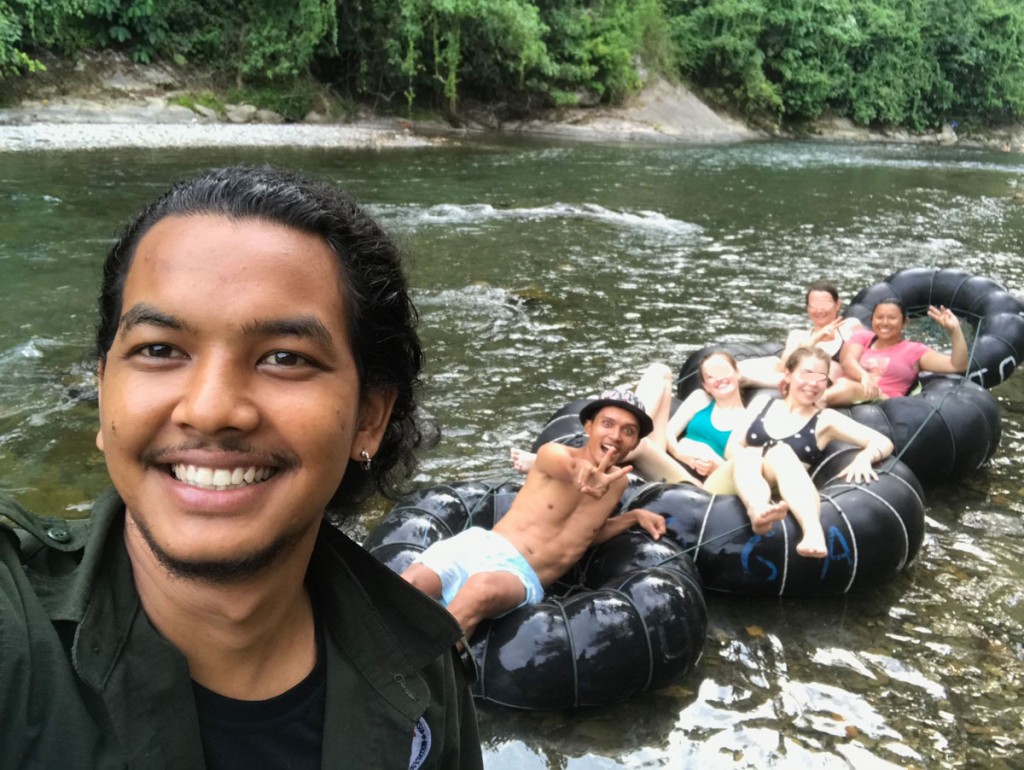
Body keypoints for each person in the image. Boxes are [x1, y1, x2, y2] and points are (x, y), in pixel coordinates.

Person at [0, 166, 482, 769]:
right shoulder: (14, 634)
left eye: (285, 358)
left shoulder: (425, 668)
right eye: (159, 350)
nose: (209, 410)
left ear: (370, 418)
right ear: (103, 394)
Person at [405, 388, 666, 640]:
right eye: (607, 424)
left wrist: (633, 517)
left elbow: (587, 534)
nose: (616, 436)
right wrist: (585, 476)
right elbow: (574, 470)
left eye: (628, 431)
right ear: (589, 427)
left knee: (478, 591)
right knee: (412, 582)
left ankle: (420, 673)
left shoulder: (618, 484)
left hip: (521, 574)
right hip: (484, 544)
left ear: (635, 443)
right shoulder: (553, 454)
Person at [729, 346, 895, 558]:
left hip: (784, 488)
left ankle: (812, 532)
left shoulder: (826, 419)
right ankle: (757, 508)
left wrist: (864, 457)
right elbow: (732, 447)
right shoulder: (763, 403)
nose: (813, 383)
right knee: (750, 454)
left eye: (821, 377)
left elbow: (882, 441)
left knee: (781, 452)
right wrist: (756, 462)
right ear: (788, 376)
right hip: (736, 477)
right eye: (806, 374)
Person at [512, 352, 745, 492]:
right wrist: (680, 453)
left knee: (639, 444)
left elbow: (744, 467)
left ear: (738, 374)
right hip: (670, 456)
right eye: (711, 377)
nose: (719, 380)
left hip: (694, 480)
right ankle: (624, 422)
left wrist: (713, 467)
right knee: (660, 371)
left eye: (724, 373)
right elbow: (669, 433)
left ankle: (570, 460)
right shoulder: (701, 399)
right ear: (704, 384)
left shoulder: (750, 417)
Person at [821, 297, 968, 406]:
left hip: (881, 400)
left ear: (904, 322)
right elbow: (847, 361)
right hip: (845, 389)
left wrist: (955, 330)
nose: (884, 323)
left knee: (847, 386)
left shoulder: (915, 350)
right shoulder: (863, 338)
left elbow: (957, 366)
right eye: (879, 317)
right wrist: (864, 376)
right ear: (872, 320)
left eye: (892, 318)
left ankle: (817, 404)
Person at [739, 280, 863, 388]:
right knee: (764, 364)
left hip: (826, 381)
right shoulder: (798, 335)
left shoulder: (850, 326)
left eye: (825, 305)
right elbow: (784, 368)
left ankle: (746, 380)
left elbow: (871, 350)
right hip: (796, 377)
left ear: (837, 305)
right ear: (807, 308)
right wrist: (814, 340)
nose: (819, 310)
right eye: (813, 306)